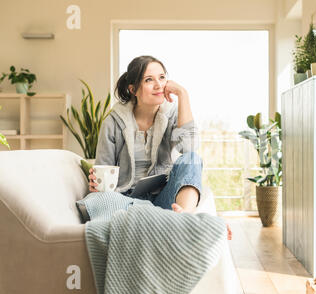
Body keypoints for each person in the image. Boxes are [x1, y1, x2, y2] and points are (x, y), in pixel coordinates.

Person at [88, 55, 232, 240]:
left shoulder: (171, 114)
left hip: (163, 197)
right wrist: (97, 184)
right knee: (97, 202)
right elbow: (104, 168)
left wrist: (183, 94)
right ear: (133, 89)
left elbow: (189, 148)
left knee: (192, 159)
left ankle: (185, 219)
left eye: (162, 77)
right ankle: (165, 219)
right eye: (149, 80)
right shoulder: (113, 122)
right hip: (125, 199)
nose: (159, 85)